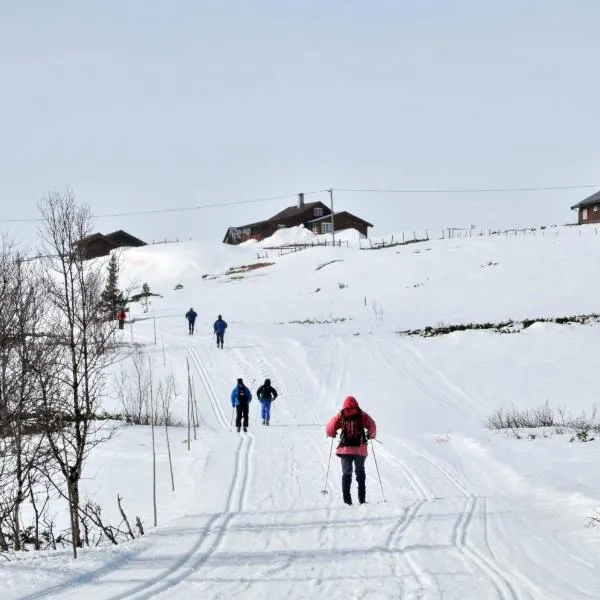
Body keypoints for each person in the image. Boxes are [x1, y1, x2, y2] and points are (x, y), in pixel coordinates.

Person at [325, 396, 377, 505]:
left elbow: (330, 427)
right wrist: (371, 435)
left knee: (346, 473)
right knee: (360, 472)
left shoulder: (342, 414)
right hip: (360, 449)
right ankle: (362, 500)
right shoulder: (361, 414)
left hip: (345, 449)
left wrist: (332, 434)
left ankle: (347, 502)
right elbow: (372, 425)